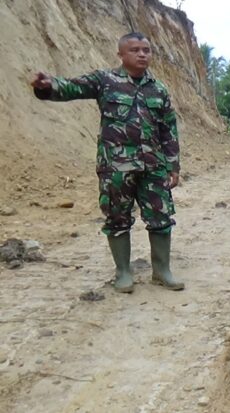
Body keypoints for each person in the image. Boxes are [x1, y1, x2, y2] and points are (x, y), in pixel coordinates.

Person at [31, 32, 184, 293]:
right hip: (116, 167)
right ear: (121, 54)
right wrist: (47, 86)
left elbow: (168, 130)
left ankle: (162, 271)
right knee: (117, 218)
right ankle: (123, 272)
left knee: (160, 217)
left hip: (153, 167)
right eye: (135, 50)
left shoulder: (158, 89)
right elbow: (72, 87)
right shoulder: (105, 81)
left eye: (146, 50)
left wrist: (173, 165)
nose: (142, 54)